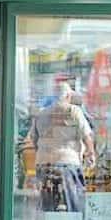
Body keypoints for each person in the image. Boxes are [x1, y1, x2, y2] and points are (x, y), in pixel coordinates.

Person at [29, 83, 96, 212]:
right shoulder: (74, 111)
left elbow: (34, 139)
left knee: (46, 202)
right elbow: (86, 136)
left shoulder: (42, 113)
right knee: (75, 200)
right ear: (68, 96)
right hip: (68, 162)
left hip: (44, 163)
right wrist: (90, 153)